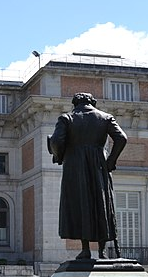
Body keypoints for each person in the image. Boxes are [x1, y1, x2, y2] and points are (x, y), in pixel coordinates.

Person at [48, 92, 127, 260]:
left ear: (75, 103)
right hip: (99, 164)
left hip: (75, 166)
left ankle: (85, 250)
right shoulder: (105, 118)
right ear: (93, 102)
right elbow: (121, 138)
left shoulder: (67, 118)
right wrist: (111, 161)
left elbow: (55, 142)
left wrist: (59, 155)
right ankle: (102, 251)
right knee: (101, 204)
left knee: (80, 204)